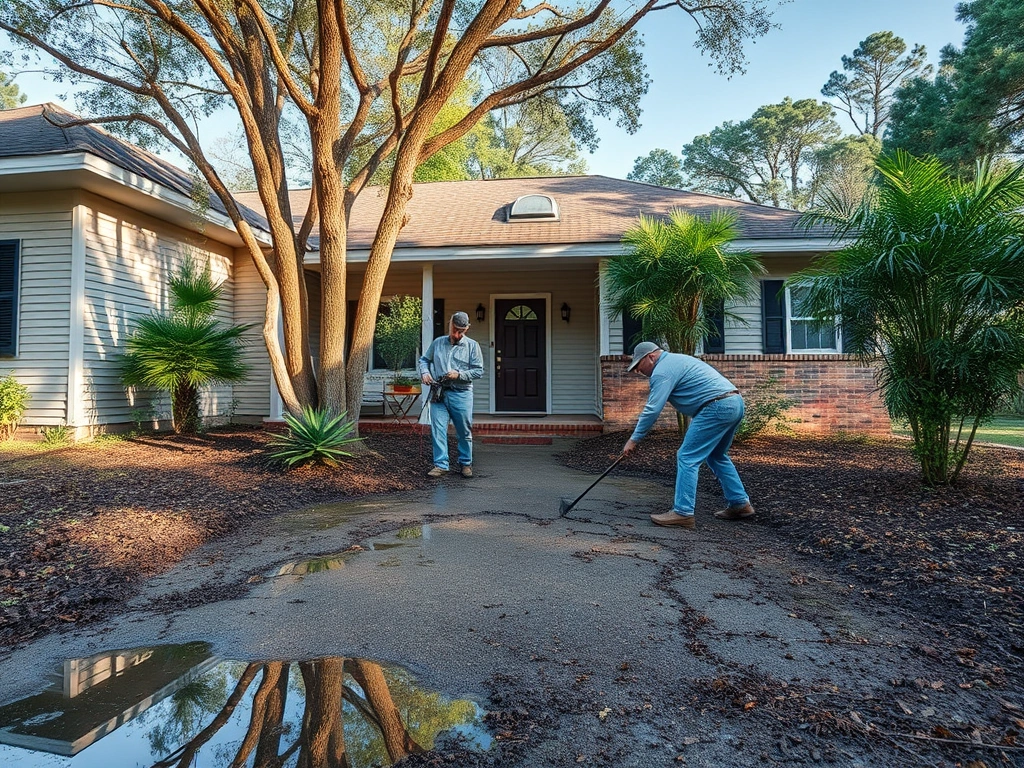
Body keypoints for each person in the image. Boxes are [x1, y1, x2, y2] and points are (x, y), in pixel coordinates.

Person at [622, 341, 754, 529]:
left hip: (716, 406)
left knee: (687, 456)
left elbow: (652, 410)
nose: (637, 371)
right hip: (734, 403)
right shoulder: (676, 360)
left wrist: (633, 439)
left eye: (638, 365)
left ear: (651, 357)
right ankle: (740, 503)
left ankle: (683, 512)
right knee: (716, 456)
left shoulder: (662, 371)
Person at [418, 311, 484, 478]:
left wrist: (459, 375)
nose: (457, 334)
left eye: (461, 331)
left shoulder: (472, 346)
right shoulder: (438, 343)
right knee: (438, 430)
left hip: (461, 394)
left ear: (467, 328)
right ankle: (441, 465)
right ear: (450, 325)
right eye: (454, 329)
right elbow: (424, 360)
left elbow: (478, 371)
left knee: (464, 432)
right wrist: (425, 373)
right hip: (439, 393)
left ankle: (465, 464)